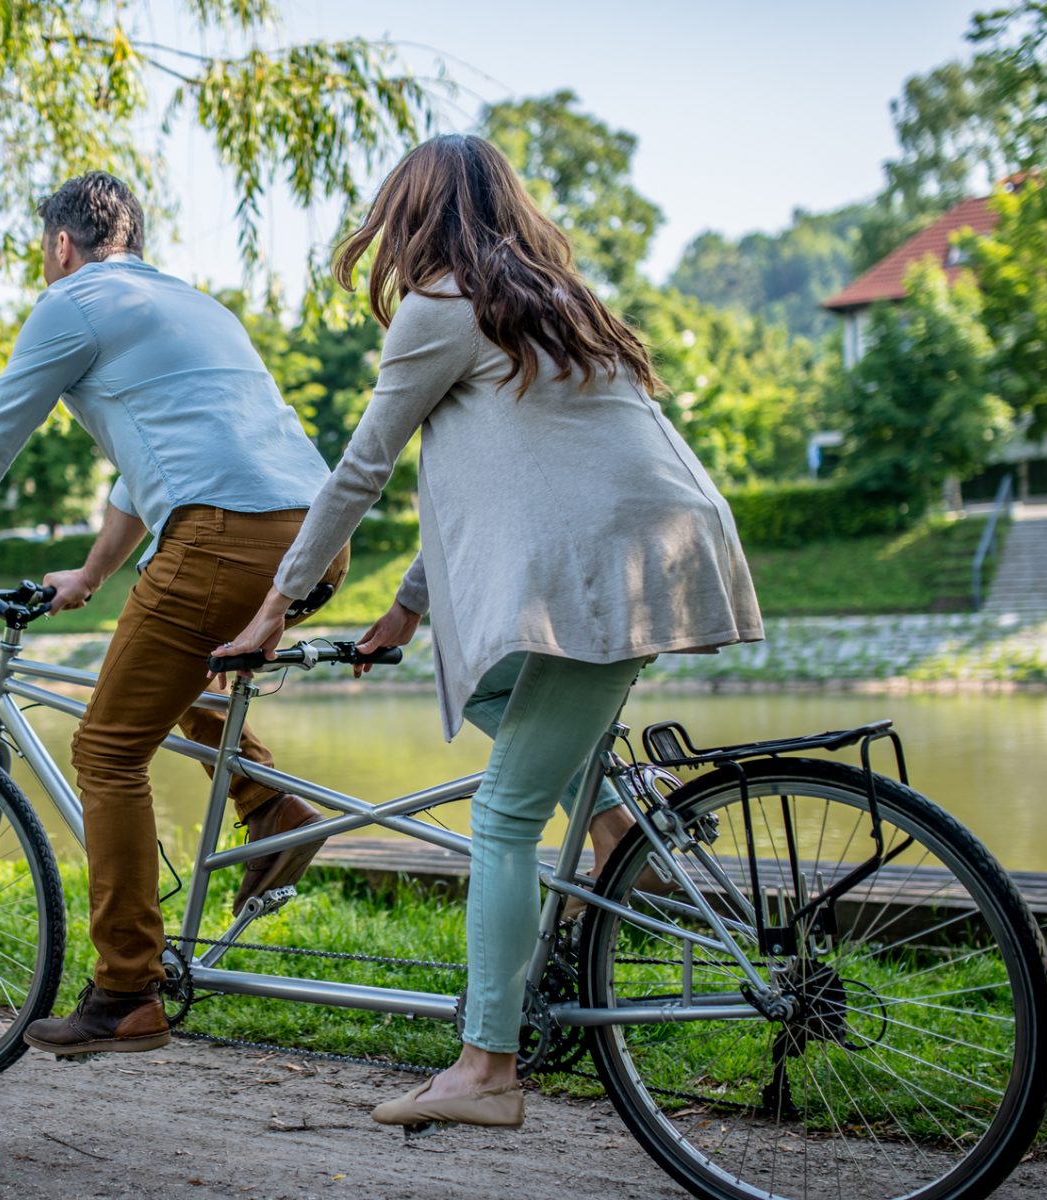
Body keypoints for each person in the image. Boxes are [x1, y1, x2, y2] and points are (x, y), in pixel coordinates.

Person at [217, 135, 762, 1130]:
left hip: (594, 564)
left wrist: (275, 605)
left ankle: (486, 1065)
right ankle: (612, 824)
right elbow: (503, 476)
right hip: (655, 542)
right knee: (483, 688)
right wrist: (409, 608)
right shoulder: (557, 305)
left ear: (410, 215)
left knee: (504, 817)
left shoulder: (438, 308)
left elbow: (362, 468)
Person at [0, 171, 349, 1056]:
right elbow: (157, 455)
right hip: (313, 534)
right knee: (164, 682)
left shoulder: (74, 302)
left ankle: (127, 985)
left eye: (45, 254)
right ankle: (272, 809)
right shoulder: (190, 305)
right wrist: (92, 572)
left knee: (106, 747)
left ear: (60, 245)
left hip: (222, 535)